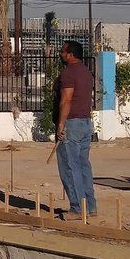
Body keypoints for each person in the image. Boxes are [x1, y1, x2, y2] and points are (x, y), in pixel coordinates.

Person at [53, 41, 98, 217]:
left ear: (70, 54)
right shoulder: (86, 72)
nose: (61, 54)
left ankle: (77, 208)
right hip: (86, 123)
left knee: (69, 167)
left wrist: (61, 125)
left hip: (72, 124)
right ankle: (90, 206)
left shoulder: (69, 73)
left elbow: (66, 100)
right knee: (83, 166)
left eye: (63, 51)